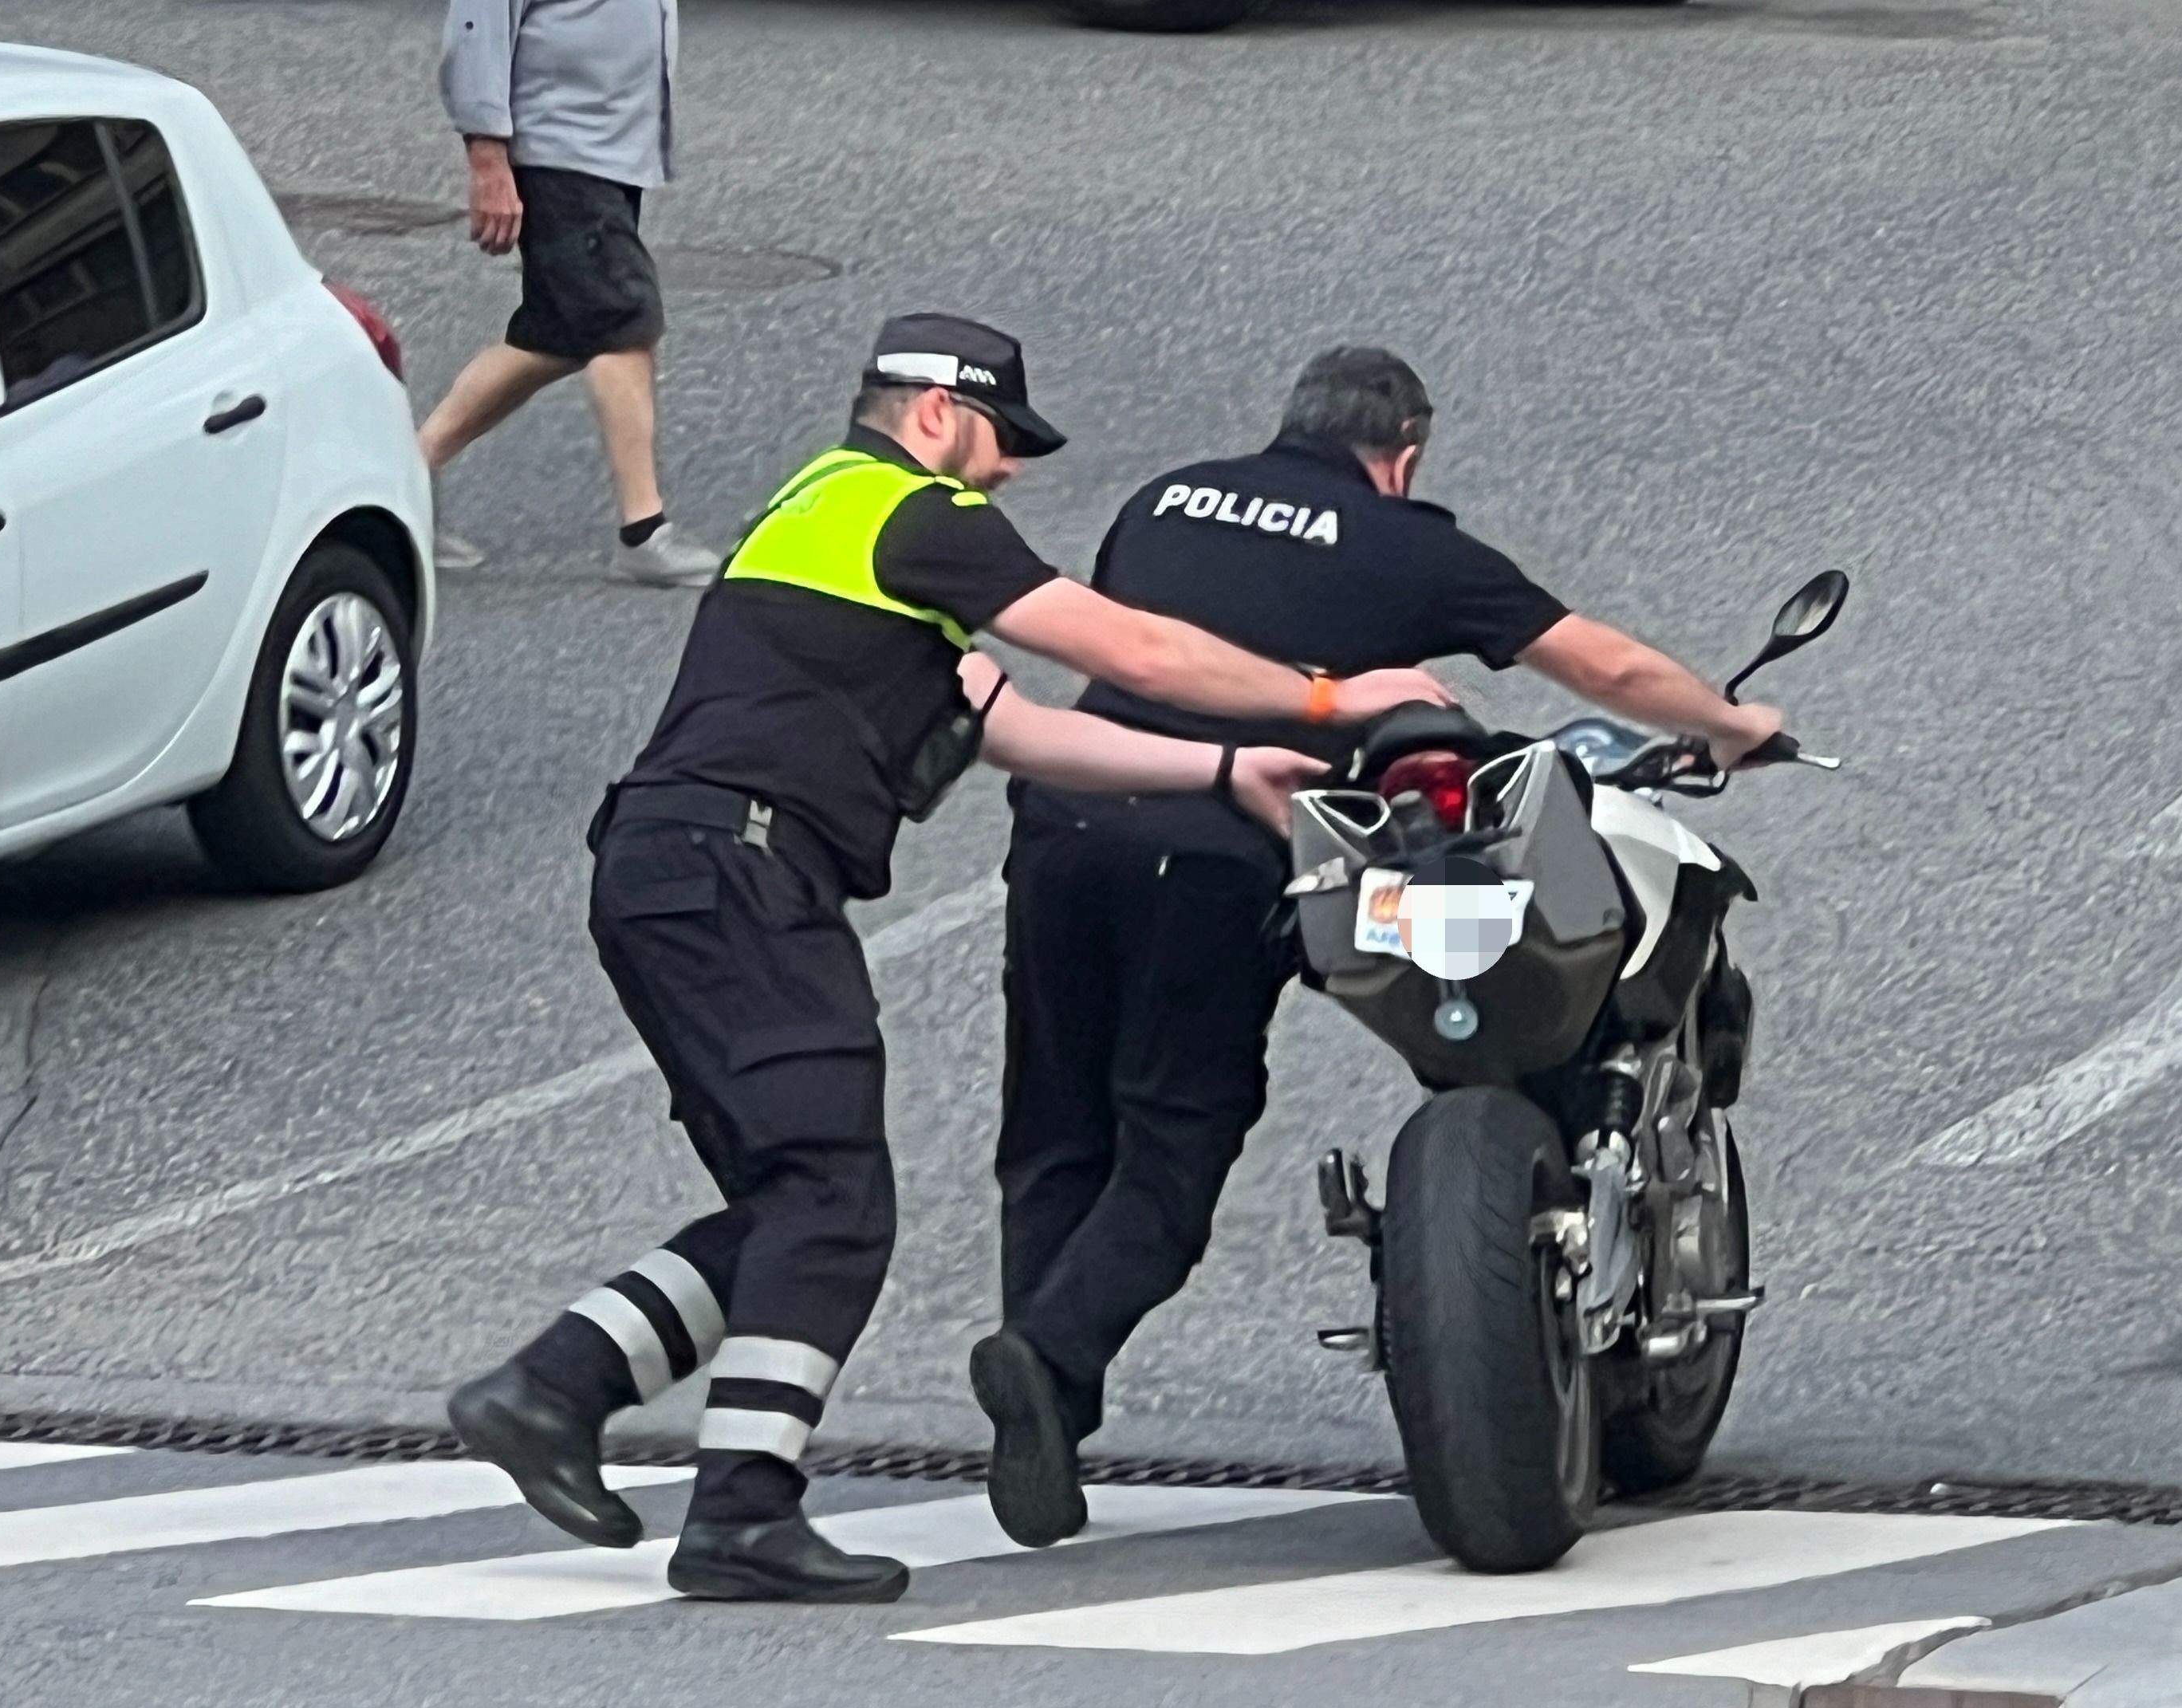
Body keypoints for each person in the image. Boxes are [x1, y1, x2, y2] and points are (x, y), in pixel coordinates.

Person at [448, 316, 1452, 1604]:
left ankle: (579, 1403)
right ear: (934, 411)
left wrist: (1220, 767)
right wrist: (1325, 699)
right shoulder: (904, 507)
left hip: (684, 873)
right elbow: (1127, 647)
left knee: (794, 1196)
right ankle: (694, 1480)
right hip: (732, 871)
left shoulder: (837, 540)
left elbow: (1026, 731)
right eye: (1002, 439)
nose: (1013, 472)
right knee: (833, 1194)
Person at [971, 344, 1787, 1549]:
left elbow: (1151, 657)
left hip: (1064, 830)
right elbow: (1600, 667)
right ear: (1401, 456)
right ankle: (1048, 1355)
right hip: (1213, 849)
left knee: (1054, 1129)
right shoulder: (1413, 547)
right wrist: (1733, 725)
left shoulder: (1167, 500)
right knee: (1175, 1135)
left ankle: (1040, 1397)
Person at [423, 0, 722, 586]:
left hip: (615, 152)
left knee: (558, 333)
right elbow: (477, 29)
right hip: (558, 153)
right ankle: (645, 532)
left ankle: (406, 474)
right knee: (625, 320)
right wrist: (490, 162)